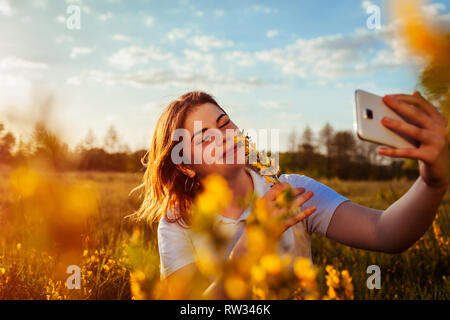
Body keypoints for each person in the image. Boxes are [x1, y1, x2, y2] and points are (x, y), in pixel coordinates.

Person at [131, 90, 448, 298]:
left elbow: (386, 234)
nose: (224, 137)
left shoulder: (293, 191)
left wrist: (432, 184)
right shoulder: (178, 222)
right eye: (203, 138)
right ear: (186, 166)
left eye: (224, 123)